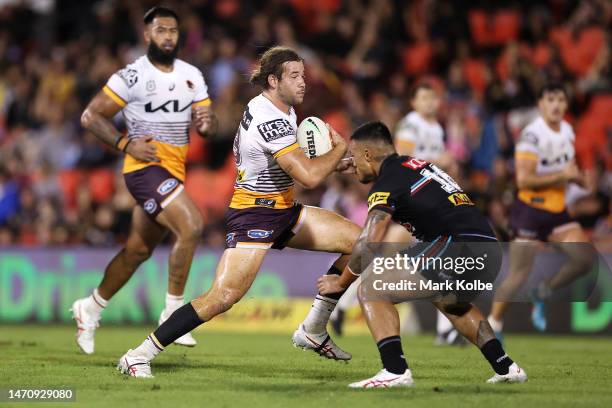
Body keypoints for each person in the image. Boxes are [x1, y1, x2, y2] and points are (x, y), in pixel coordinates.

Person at [117, 46, 361, 378]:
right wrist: (339, 150)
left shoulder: (278, 108)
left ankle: (313, 328)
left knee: (360, 243)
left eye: (304, 75)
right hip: (255, 214)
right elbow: (309, 176)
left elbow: (295, 169)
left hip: (282, 209)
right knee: (223, 296)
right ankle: (138, 355)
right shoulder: (269, 118)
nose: (304, 82)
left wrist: (335, 163)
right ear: (273, 80)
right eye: (295, 76)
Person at [317, 121, 527, 388]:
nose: (352, 163)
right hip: (488, 249)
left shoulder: (388, 182)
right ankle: (507, 367)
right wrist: (353, 167)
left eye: (355, 156)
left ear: (368, 155)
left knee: (372, 288)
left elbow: (370, 240)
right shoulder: (412, 166)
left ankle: (395, 370)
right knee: (451, 304)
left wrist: (341, 281)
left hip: (457, 247)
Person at [71, 6, 216, 354]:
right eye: (161, 30)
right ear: (147, 35)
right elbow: (91, 116)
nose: (168, 36)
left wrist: (207, 124)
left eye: (174, 31)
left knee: (138, 250)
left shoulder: (192, 75)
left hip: (173, 170)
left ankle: (89, 307)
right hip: (143, 168)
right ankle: (172, 315)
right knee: (192, 225)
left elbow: (206, 124)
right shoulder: (131, 76)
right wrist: (125, 143)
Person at [488, 83, 594, 336]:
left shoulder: (567, 130)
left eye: (560, 99)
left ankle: (542, 292)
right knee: (518, 274)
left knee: (584, 259)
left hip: (557, 210)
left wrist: (577, 178)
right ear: (541, 105)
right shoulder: (531, 136)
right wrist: (563, 175)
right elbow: (523, 180)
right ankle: (493, 326)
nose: (556, 105)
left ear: (566, 104)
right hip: (530, 211)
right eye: (550, 99)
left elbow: (566, 168)